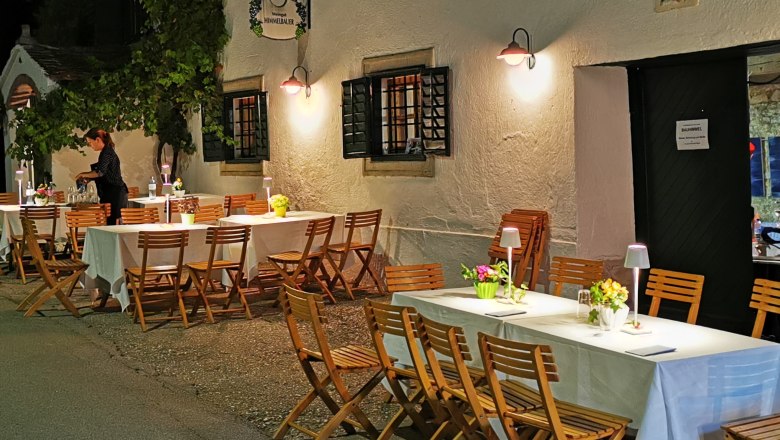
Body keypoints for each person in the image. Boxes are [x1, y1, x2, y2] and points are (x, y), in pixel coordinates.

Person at [75, 129, 128, 225]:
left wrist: (83, 174)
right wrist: (89, 178)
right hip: (112, 192)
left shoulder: (107, 152)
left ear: (98, 140)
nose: (90, 145)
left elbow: (100, 172)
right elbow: (104, 172)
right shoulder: (106, 151)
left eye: (90, 142)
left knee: (113, 224)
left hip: (115, 194)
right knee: (109, 224)